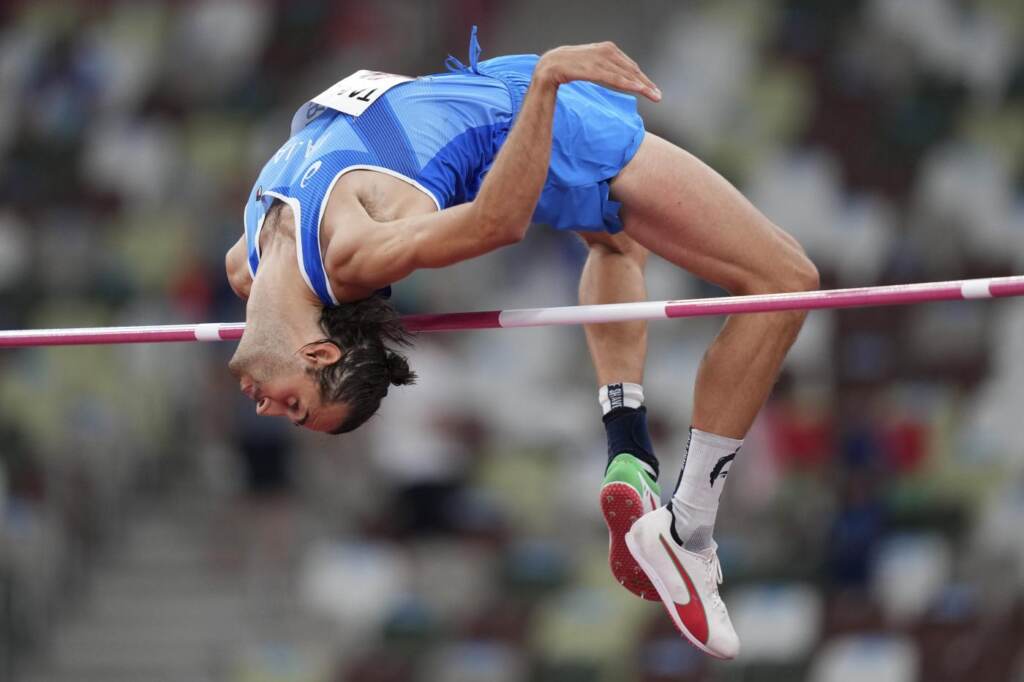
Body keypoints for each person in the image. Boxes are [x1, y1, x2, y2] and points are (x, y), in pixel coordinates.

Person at [224, 28, 818, 659]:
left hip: (504, 123)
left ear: (319, 354)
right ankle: (688, 528)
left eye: (293, 409)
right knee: (786, 279)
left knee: (623, 242)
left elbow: (486, 214)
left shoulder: (255, 264)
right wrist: (549, 79)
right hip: (519, 122)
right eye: (290, 409)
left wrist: (540, 84)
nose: (266, 409)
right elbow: (497, 219)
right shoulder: (308, 257)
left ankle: (631, 455)